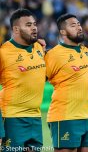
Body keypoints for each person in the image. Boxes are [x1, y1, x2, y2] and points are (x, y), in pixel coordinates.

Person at [45, 13, 88, 152]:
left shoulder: (86, 52)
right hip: (65, 117)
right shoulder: (53, 55)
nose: (79, 27)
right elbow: (36, 79)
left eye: (79, 24)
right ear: (62, 31)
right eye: (73, 25)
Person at [0, 9, 46, 151]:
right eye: (28, 25)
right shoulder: (3, 53)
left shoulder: (39, 47)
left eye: (34, 24)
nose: (34, 27)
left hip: (36, 119)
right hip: (12, 119)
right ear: (16, 29)